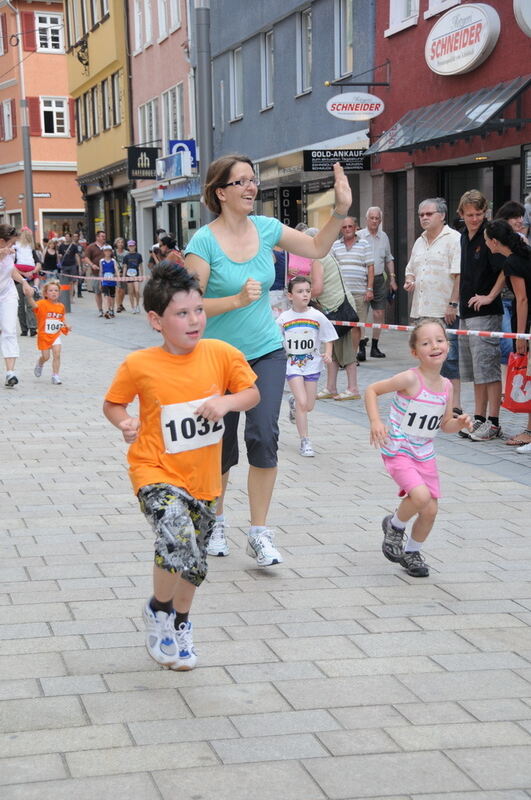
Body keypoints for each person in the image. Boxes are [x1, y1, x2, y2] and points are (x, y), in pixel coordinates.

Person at [185, 154, 352, 562]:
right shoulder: (203, 242)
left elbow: (315, 247)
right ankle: (216, 522)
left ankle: (259, 532)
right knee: (220, 446)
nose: (250, 187)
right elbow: (190, 307)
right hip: (217, 358)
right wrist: (237, 300)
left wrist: (341, 210)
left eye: (252, 180)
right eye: (240, 181)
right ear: (220, 192)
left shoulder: (267, 229)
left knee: (263, 437)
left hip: (265, 352)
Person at [103, 263, 259, 669]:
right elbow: (113, 403)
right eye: (181, 313)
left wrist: (226, 401)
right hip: (154, 470)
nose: (194, 321)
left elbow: (252, 393)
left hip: (204, 481)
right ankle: (158, 610)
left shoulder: (221, 354)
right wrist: (125, 422)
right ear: (156, 320)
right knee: (177, 533)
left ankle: (181, 622)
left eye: (198, 310)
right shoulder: (140, 364)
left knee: (193, 560)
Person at [365, 318, 473, 577]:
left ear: (447, 345)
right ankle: (395, 526)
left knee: (431, 509)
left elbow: (444, 424)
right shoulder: (410, 379)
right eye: (426, 343)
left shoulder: (447, 386)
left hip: (425, 454)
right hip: (399, 449)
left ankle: (412, 552)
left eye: (439, 340)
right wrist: (376, 421)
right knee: (420, 497)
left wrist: (458, 424)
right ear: (415, 352)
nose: (434, 346)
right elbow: (371, 390)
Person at [404, 197, 462, 412]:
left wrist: (453, 304)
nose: (424, 218)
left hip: (443, 310)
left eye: (429, 214)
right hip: (421, 311)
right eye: (421, 215)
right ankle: (431, 404)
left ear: (442, 215)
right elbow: (411, 269)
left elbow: (459, 275)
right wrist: (409, 280)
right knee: (426, 361)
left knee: (448, 360)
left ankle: (454, 407)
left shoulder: (454, 239)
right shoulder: (419, 241)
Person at [458, 190, 505, 441]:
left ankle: (494, 422)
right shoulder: (464, 235)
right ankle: (479, 418)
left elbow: (505, 269)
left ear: (485, 212)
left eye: (478, 214)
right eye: (470, 215)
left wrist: (490, 296)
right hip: (466, 310)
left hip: (486, 312)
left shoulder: (491, 234)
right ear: (462, 215)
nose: (475, 219)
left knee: (489, 370)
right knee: (476, 371)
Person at [483, 219, 531, 452]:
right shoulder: (522, 252)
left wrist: (521, 336)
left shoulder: (513, 261)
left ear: (494, 241)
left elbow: (522, 299)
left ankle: (530, 433)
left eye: (486, 240)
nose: (485, 244)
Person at [276, 276, 337, 457]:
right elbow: (276, 339)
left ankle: (294, 403)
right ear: (290, 295)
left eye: (307, 291)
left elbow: (328, 337)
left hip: (312, 365)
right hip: (292, 365)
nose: (305, 295)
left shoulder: (317, 316)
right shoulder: (284, 318)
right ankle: (305, 440)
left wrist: (327, 353)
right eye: (300, 291)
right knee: (303, 403)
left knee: (308, 405)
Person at [309, 227, 361, 400]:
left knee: (345, 351)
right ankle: (330, 387)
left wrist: (300, 293)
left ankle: (353, 388)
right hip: (334, 307)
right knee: (333, 350)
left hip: (338, 308)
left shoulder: (317, 258)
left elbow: (317, 289)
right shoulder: (324, 255)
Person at [492, 201, 529, 382]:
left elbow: (522, 298)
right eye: (515, 217)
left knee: (513, 345)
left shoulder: (518, 251)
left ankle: (511, 389)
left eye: (521, 216)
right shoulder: (505, 251)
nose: (520, 220)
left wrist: (521, 335)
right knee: (508, 346)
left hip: (519, 304)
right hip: (506, 300)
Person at [331, 216, 374, 362]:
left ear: (355, 228)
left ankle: (352, 357)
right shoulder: (335, 245)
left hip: (359, 292)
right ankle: (341, 357)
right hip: (341, 293)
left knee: (357, 325)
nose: (348, 229)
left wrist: (369, 289)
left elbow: (370, 267)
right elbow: (331, 267)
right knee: (341, 326)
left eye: (350, 226)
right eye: (344, 227)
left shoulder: (364, 244)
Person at [358, 207, 397, 357]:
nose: (374, 221)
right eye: (372, 218)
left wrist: (392, 278)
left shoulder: (384, 236)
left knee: (379, 313)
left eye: (377, 218)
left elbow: (389, 259)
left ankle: (375, 346)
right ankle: (361, 347)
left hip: (380, 279)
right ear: (366, 219)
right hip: (363, 279)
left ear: (380, 220)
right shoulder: (359, 236)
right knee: (361, 313)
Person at [0, 224, 35, 387]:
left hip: (7, 293)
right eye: (11, 242)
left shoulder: (10, 252)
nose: (13, 245)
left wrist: (23, 282)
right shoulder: (4, 251)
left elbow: (10, 269)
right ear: (1, 241)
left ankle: (10, 373)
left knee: (9, 330)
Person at [27, 278, 71, 385]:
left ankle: (55, 376)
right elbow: (34, 305)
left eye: (56, 290)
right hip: (44, 335)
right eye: (51, 290)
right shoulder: (42, 303)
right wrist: (29, 296)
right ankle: (40, 363)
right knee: (46, 356)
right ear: (46, 293)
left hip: (55, 335)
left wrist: (66, 325)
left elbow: (62, 317)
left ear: (59, 293)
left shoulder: (61, 306)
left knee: (57, 354)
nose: (53, 292)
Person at [14, 228, 40, 337]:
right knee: (20, 305)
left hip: (29, 278)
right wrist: (24, 274)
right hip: (18, 280)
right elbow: (11, 266)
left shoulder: (31, 249)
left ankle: (32, 327)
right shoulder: (15, 249)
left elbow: (38, 262)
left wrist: (33, 271)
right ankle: (24, 329)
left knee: (30, 302)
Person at [84, 230, 107, 317]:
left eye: (104, 236)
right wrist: (92, 265)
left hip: (107, 274)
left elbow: (112, 257)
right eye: (102, 236)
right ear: (97, 237)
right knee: (98, 292)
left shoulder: (107, 247)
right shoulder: (91, 247)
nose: (104, 238)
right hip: (96, 273)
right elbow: (86, 258)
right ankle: (100, 310)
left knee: (108, 292)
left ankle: (109, 309)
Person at [58, 232, 82, 303]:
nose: (67, 237)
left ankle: (71, 298)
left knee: (71, 282)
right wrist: (59, 260)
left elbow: (76, 255)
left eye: (68, 236)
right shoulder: (61, 246)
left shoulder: (73, 246)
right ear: (64, 237)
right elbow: (59, 255)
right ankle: (65, 297)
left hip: (72, 265)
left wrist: (79, 266)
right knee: (64, 282)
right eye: (66, 236)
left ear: (70, 237)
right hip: (64, 265)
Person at [99, 244, 120, 318]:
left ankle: (112, 309)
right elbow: (101, 271)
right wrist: (100, 281)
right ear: (104, 252)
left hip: (112, 281)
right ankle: (107, 310)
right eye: (106, 251)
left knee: (112, 296)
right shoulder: (101, 261)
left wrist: (118, 277)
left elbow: (116, 269)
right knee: (106, 296)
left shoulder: (113, 260)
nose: (107, 253)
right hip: (105, 281)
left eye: (109, 251)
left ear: (111, 252)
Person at [123, 240, 144, 313]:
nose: (131, 247)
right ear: (128, 247)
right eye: (130, 246)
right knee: (130, 291)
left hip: (136, 275)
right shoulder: (126, 256)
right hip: (128, 276)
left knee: (137, 291)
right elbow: (125, 266)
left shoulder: (138, 255)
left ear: (135, 246)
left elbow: (141, 266)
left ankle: (137, 305)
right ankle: (133, 307)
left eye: (132, 246)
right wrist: (123, 276)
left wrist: (142, 275)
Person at [113, 237, 128, 312]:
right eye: (119, 242)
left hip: (124, 272)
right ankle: (118, 306)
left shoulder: (126, 253)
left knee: (122, 290)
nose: (120, 244)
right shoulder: (113, 252)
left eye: (122, 242)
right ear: (116, 244)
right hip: (116, 273)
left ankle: (121, 304)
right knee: (118, 289)